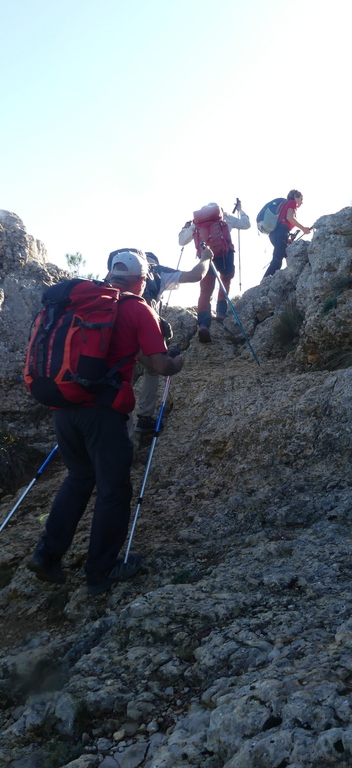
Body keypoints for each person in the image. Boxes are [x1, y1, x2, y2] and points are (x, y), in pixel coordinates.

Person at [26, 249, 206, 596]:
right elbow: (159, 365)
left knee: (78, 478)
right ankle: (102, 571)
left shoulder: (81, 304)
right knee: (113, 489)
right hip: (103, 414)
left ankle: (46, 555)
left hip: (62, 406)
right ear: (142, 280)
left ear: (111, 276)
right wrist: (177, 362)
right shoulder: (138, 307)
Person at [134, 249, 213, 433]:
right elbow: (196, 275)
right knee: (153, 369)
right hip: (140, 328)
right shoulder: (157, 272)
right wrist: (206, 258)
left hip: (114, 329)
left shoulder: (118, 273)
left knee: (121, 369)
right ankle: (144, 419)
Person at [178, 202, 251, 343]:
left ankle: (204, 325)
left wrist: (184, 228)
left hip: (206, 257)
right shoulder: (225, 216)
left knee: (206, 290)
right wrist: (241, 211)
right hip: (225, 255)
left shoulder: (196, 223)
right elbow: (246, 224)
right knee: (226, 280)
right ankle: (221, 312)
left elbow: (181, 241)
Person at [264, 190, 311, 278]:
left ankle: (288, 277)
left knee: (284, 255)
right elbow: (290, 218)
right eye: (301, 199)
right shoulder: (292, 203)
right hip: (281, 232)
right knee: (277, 261)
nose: (302, 202)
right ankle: (263, 285)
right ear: (296, 196)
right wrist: (303, 228)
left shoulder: (285, 204)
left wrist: (286, 240)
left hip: (275, 234)